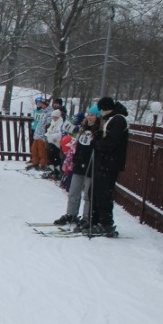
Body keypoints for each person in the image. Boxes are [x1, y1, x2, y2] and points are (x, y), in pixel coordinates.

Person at [89, 97, 130, 237]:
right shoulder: (111, 119)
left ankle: (106, 223)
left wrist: (97, 143)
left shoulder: (118, 120)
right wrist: (99, 137)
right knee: (96, 192)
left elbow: (112, 143)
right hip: (104, 162)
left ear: (104, 108)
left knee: (104, 193)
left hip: (110, 163)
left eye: (100, 110)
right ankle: (95, 220)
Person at [54, 107, 100, 229]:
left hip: (91, 165)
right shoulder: (82, 129)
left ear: (97, 117)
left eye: (93, 115)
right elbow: (77, 143)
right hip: (79, 164)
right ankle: (71, 214)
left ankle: (86, 217)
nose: (90, 117)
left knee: (87, 195)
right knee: (73, 191)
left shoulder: (98, 131)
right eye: (88, 114)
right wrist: (74, 160)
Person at [27, 97, 50, 170]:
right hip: (37, 133)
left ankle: (43, 164)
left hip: (42, 135)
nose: (41, 105)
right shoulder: (43, 112)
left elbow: (48, 124)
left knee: (41, 151)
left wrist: (45, 133)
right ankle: (35, 162)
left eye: (42, 104)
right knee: (34, 149)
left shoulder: (49, 113)